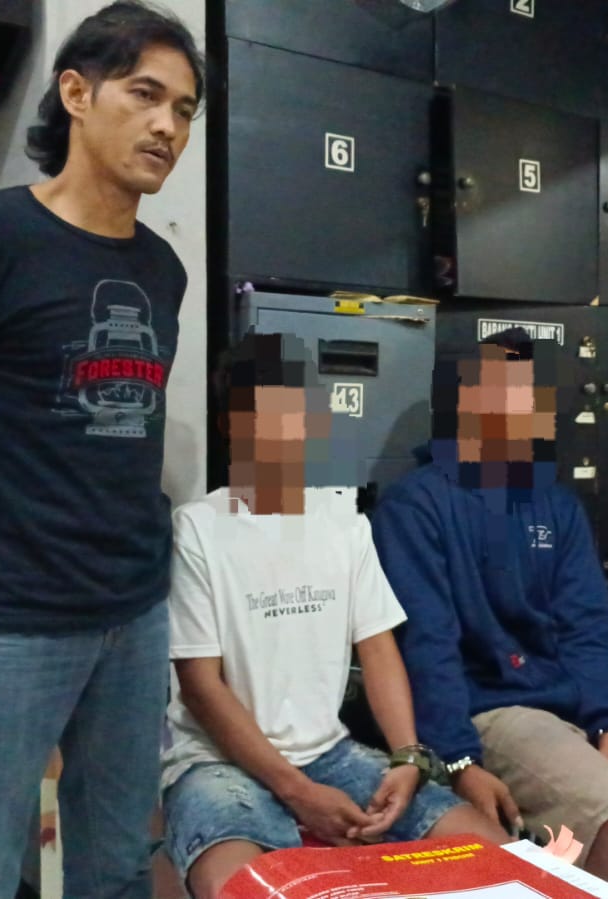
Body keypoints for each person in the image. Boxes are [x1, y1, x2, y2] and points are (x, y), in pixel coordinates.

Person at [0, 4, 205, 895]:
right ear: (76, 94)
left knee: (117, 864)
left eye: (183, 110)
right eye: (145, 95)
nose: (167, 126)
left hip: (132, 610)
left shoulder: (162, 270)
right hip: (3, 616)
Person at [373, 331, 608, 883]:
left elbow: (587, 625)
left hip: (567, 691)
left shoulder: (554, 502)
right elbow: (427, 649)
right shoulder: (416, 506)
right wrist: (459, 760)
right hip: (490, 708)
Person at [161, 333, 508, 899]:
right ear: (232, 426)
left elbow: (378, 648)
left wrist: (408, 757)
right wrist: (297, 792)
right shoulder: (198, 529)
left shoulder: (343, 521)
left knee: (493, 855)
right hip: (218, 763)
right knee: (239, 887)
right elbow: (201, 686)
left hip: (332, 754)